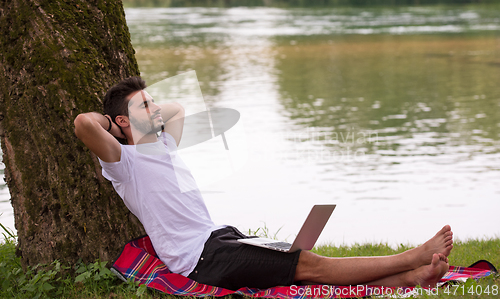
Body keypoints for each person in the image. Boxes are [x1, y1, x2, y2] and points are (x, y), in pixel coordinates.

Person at [74, 76, 454, 291]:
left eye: (151, 101)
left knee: (297, 260)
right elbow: (83, 124)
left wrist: (142, 109)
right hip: (199, 258)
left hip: (221, 236)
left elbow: (177, 109)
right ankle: (411, 258)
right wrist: (114, 123)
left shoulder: (166, 143)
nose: (156, 108)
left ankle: (411, 277)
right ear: (122, 123)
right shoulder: (125, 163)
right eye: (144, 106)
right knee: (310, 265)